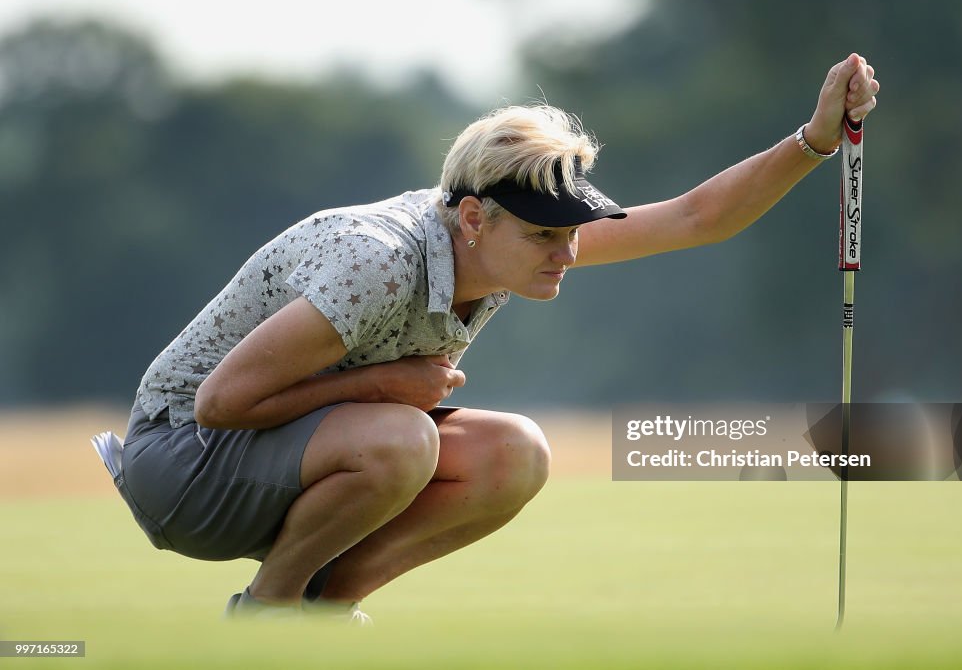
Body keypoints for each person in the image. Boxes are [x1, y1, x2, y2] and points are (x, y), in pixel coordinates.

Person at [97, 53, 879, 622]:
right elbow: (220, 401)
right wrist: (381, 387)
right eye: (549, 236)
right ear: (474, 218)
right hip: (182, 465)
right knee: (405, 438)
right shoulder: (379, 259)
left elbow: (694, 218)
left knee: (518, 453)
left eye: (573, 232)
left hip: (282, 452)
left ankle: (320, 612)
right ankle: (265, 615)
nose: (568, 253)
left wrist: (812, 140)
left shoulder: (507, 237)